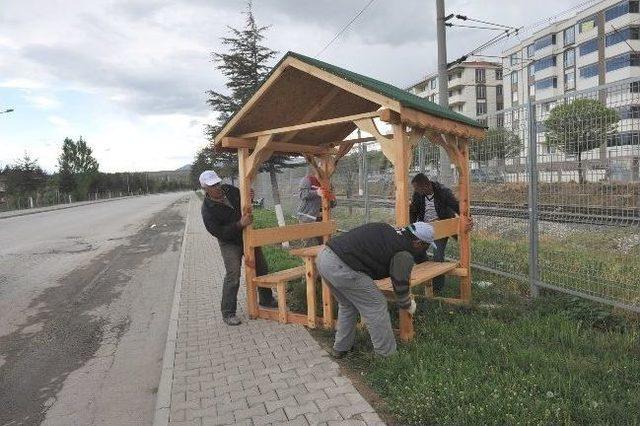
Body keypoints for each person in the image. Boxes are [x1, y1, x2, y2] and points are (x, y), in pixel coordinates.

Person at [315, 221, 435, 357]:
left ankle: (341, 348)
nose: (425, 250)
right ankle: (387, 356)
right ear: (418, 243)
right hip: (343, 266)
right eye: (426, 246)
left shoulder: (394, 232)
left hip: (324, 257)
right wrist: (407, 304)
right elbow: (400, 285)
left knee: (348, 305)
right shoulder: (404, 253)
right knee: (376, 305)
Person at [199, 170, 277, 326]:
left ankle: (266, 299)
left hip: (247, 235)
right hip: (229, 242)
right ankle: (228, 313)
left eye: (217, 183)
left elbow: (244, 201)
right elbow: (219, 232)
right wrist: (239, 224)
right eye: (213, 185)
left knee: (261, 268)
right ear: (205, 189)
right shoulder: (207, 209)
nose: (217, 187)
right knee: (233, 275)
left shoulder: (229, 189)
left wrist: (250, 197)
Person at [409, 173, 472, 294]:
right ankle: (429, 274)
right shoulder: (418, 195)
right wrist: (411, 229)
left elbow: (458, 207)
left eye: (417, 188)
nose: (415, 191)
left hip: (441, 228)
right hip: (424, 228)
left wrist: (469, 219)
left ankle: (437, 289)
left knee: (438, 256)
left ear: (426, 185)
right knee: (415, 252)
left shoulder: (443, 192)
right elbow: (414, 212)